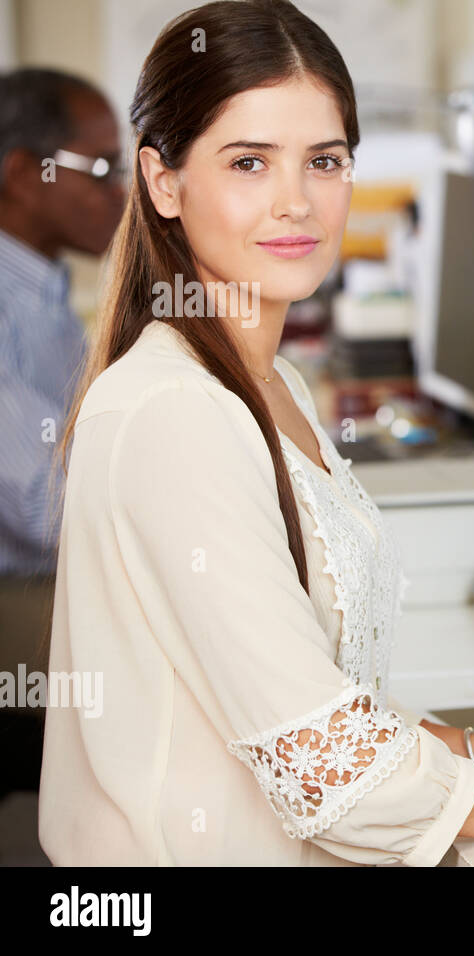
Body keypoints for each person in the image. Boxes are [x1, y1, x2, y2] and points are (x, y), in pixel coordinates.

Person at [39, 0, 474, 866]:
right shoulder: (175, 411)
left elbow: (315, 693)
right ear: (164, 182)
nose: (296, 202)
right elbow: (323, 765)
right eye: (248, 162)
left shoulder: (274, 383)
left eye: (325, 160)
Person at [0, 68, 124, 796]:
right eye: (101, 167)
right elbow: (50, 509)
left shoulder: (39, 286)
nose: (121, 191)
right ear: (22, 174)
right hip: (22, 606)